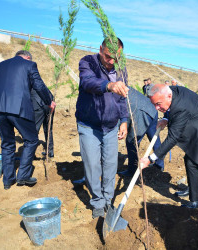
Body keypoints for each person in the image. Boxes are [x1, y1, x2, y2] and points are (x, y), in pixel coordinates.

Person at [140, 84, 198, 209]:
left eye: (158, 104)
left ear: (168, 96)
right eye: (154, 104)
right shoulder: (172, 91)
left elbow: (173, 138)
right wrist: (166, 118)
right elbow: (170, 109)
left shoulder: (180, 106)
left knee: (192, 162)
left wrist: (151, 158)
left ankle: (196, 202)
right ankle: (192, 189)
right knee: (189, 158)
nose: (157, 108)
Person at [0, 50, 54, 190]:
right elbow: (38, 85)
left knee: (7, 144)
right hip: (19, 108)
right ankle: (23, 176)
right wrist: (49, 101)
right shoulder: (29, 65)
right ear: (27, 57)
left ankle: (8, 180)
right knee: (32, 139)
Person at [76, 38, 129, 219]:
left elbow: (122, 98)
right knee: (92, 165)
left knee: (111, 165)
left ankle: (108, 200)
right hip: (89, 125)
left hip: (111, 126)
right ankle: (97, 201)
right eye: (108, 56)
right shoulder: (87, 62)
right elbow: (87, 82)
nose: (112, 61)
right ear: (100, 49)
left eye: (116, 57)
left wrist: (124, 120)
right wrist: (108, 85)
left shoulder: (121, 70)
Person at [118, 87, 164, 177]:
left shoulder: (114, 92)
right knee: (154, 138)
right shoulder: (122, 86)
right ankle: (160, 164)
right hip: (151, 108)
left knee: (132, 141)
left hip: (141, 112)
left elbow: (124, 113)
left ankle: (132, 170)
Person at [31, 89, 54, 157]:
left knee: (33, 130)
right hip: (50, 101)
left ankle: (31, 154)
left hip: (39, 104)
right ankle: (50, 152)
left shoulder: (24, 80)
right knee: (48, 128)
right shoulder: (37, 80)